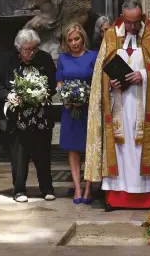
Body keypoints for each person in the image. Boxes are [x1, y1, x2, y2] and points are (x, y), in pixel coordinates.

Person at [85, 0, 150, 211]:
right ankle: (115, 198)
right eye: (128, 21)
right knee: (120, 151)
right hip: (118, 106)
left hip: (143, 105)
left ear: (142, 17)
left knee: (141, 149)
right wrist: (109, 83)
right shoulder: (110, 36)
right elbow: (99, 75)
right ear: (122, 17)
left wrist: (143, 75)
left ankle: (148, 198)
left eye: (136, 21)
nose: (132, 26)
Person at [0, 29, 56, 203]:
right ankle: (19, 190)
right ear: (19, 48)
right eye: (27, 49)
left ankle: (47, 188)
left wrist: (43, 92)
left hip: (40, 117)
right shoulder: (6, 61)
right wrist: (9, 95)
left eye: (34, 49)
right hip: (17, 118)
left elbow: (53, 84)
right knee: (19, 156)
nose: (31, 53)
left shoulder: (45, 59)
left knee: (43, 153)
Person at [56, 23, 98, 204]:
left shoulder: (92, 56)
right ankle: (77, 189)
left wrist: (86, 96)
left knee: (89, 148)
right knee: (73, 150)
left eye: (77, 39)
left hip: (88, 109)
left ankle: (88, 188)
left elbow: (98, 81)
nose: (74, 43)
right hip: (70, 110)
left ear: (83, 38)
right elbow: (59, 82)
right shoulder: (63, 59)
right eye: (70, 40)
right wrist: (66, 96)